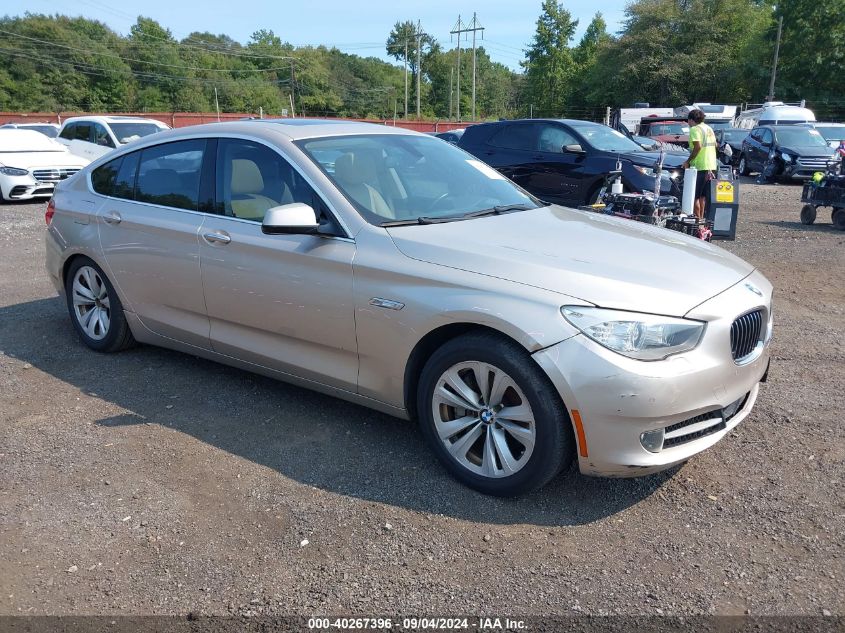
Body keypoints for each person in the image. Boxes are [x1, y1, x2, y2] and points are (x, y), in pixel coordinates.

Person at [681, 109, 717, 219]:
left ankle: (698, 222)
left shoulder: (695, 129)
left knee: (694, 196)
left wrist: (688, 161)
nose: (688, 124)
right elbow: (715, 145)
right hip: (711, 165)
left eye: (688, 121)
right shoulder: (708, 128)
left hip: (700, 166)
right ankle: (701, 221)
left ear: (691, 120)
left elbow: (698, 147)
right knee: (703, 197)